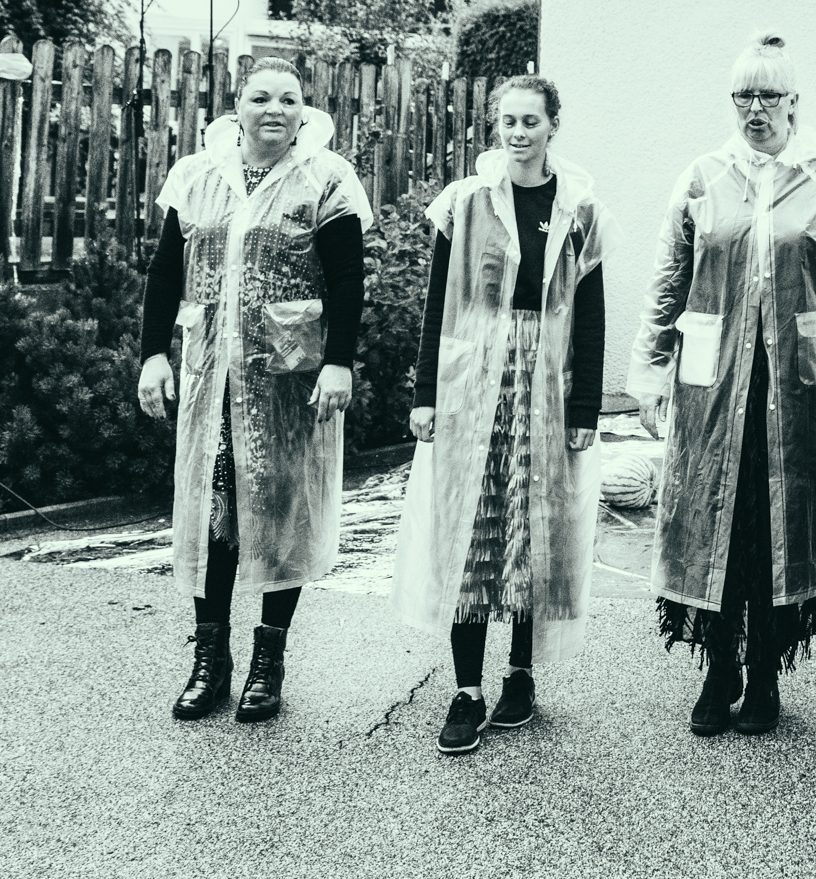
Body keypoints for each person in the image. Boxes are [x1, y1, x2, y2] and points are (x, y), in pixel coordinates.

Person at [633, 33, 816, 736]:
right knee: (718, 524)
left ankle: (764, 672)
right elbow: (669, 279)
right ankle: (718, 669)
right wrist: (649, 372)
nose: (754, 109)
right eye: (743, 96)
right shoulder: (704, 176)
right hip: (715, 388)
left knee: (775, 527)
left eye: (768, 95)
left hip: (797, 389)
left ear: (794, 102)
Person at [137, 61, 371, 725]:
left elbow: (347, 279)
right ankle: (210, 661)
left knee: (282, 510)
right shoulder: (196, 174)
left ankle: (269, 660)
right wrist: (152, 354)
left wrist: (339, 363)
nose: (275, 109)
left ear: (304, 111)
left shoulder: (326, 177)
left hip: (288, 380)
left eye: (288, 99)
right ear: (237, 106)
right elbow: (164, 271)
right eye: (261, 97)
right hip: (211, 375)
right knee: (214, 510)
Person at [397, 74, 606, 757]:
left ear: (553, 126)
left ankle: (520, 674)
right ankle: (466, 689)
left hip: (546, 386)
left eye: (531, 121)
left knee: (533, 528)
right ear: (496, 126)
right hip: (471, 388)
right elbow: (438, 303)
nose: (519, 132)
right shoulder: (465, 202)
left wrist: (585, 406)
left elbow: (592, 314)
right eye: (508, 121)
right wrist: (425, 393)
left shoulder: (577, 207)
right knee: (473, 530)